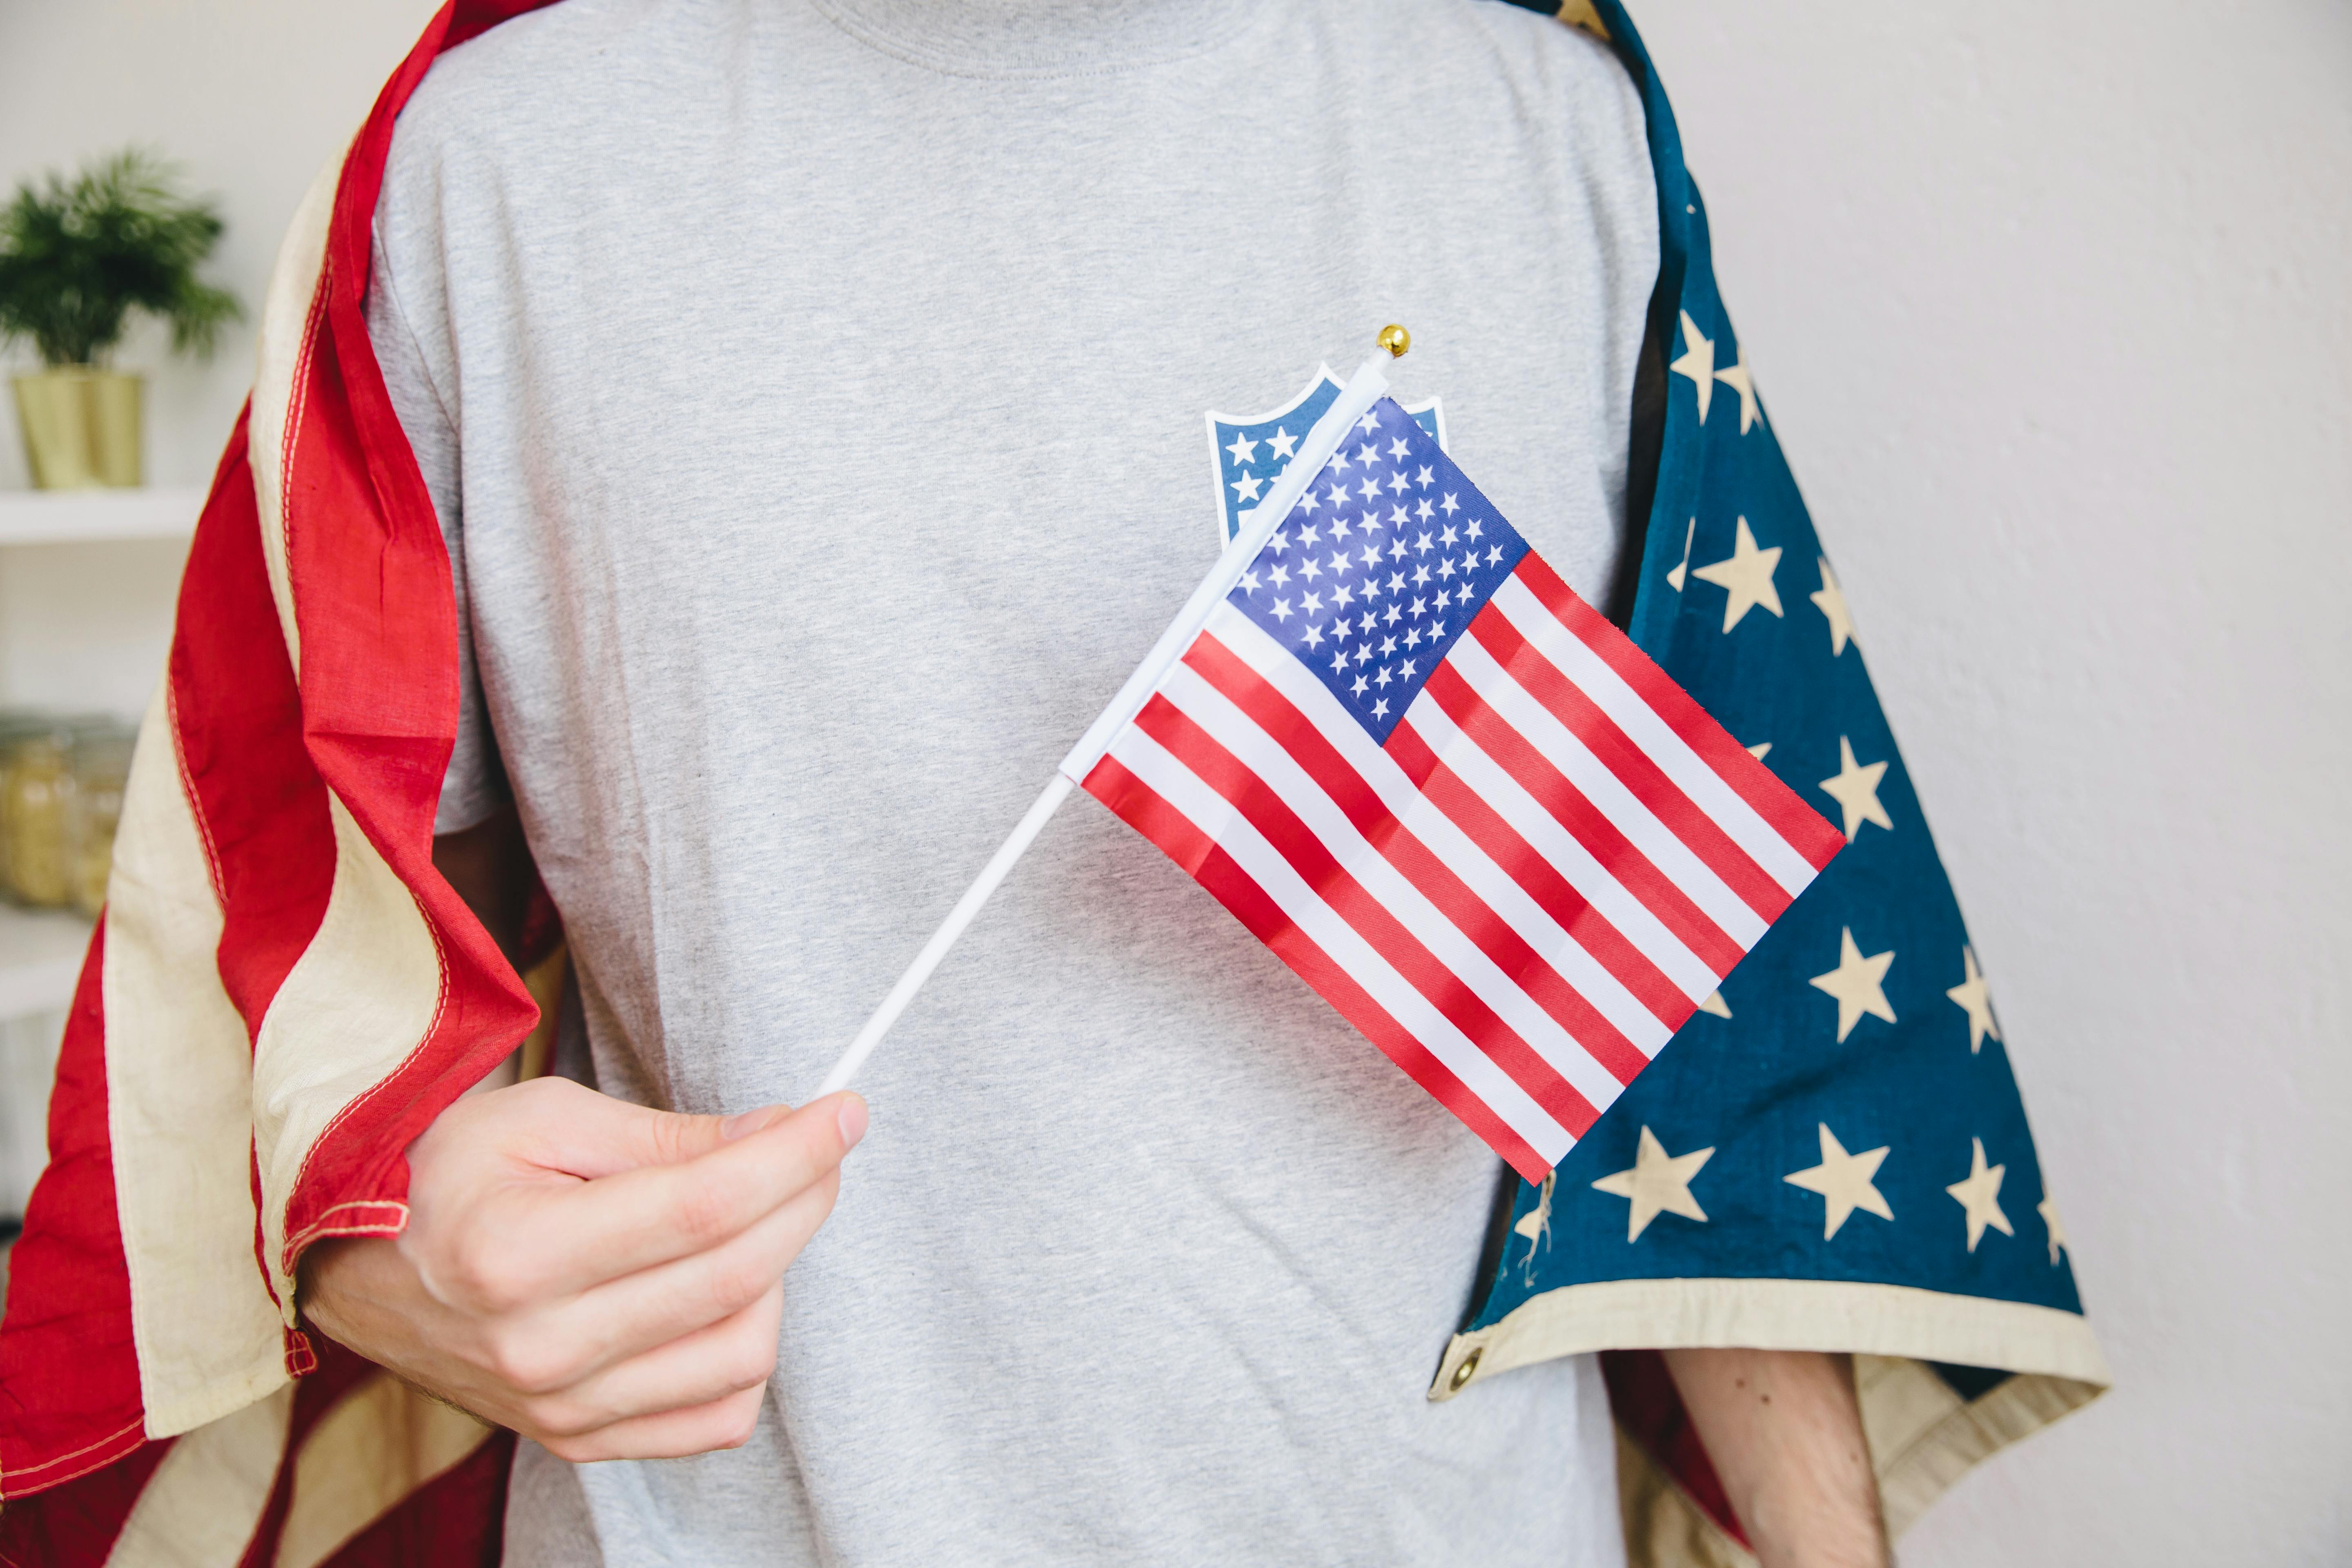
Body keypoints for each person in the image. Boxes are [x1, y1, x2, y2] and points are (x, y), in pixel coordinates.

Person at [300, 0, 1890, 1562]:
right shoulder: (488, 159)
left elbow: (1694, 998)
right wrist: (364, 1255)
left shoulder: (1556, 125)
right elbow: (298, 951)